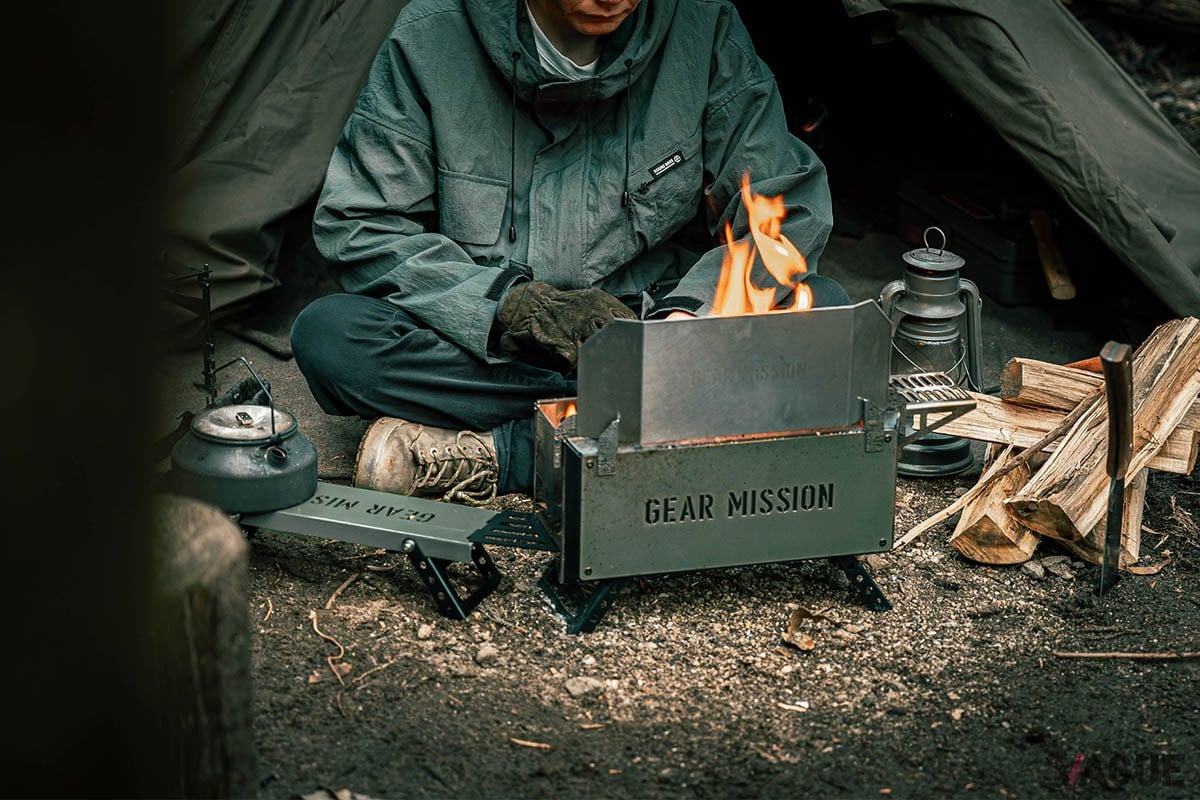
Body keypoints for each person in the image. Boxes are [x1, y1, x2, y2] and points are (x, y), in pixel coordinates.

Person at [291, 0, 848, 505]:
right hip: (492, 342)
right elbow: (362, 224)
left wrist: (687, 320)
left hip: (657, 329)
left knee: (821, 311)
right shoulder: (430, 37)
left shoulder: (703, 26)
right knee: (333, 338)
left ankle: (502, 454)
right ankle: (664, 422)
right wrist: (513, 307)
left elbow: (786, 209)